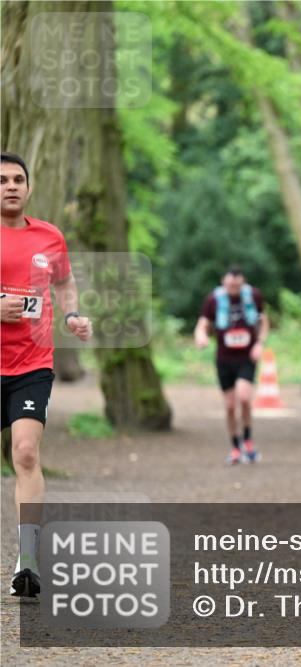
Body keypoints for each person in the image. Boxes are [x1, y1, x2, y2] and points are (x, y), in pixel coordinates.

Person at [1, 152, 93, 597]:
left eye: (18, 179)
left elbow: (64, 282)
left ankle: (28, 561)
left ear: (29, 187)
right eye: (2, 180)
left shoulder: (49, 236)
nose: (11, 186)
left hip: (31, 364)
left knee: (25, 453)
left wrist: (72, 315)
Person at [194, 266, 269, 465]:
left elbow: (263, 321)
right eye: (230, 284)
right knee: (229, 406)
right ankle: (235, 447)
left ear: (243, 282)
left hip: (246, 357)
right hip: (224, 359)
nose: (233, 288)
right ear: (223, 282)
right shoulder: (214, 299)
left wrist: (260, 344)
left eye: (237, 284)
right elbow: (203, 323)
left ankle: (248, 442)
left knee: (244, 397)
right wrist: (201, 336)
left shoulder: (253, 296)